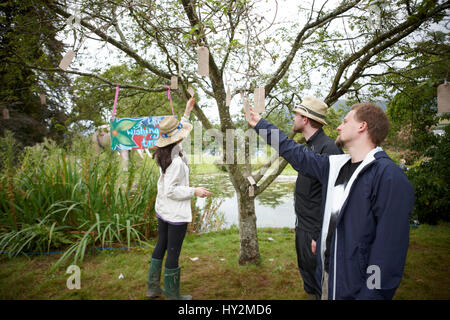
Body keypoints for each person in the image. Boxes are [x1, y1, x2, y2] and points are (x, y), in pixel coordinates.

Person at [247, 102, 414, 300]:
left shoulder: (389, 177)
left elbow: (387, 254)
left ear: (362, 126)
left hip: (356, 288)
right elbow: (294, 152)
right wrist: (261, 125)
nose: (338, 127)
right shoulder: (335, 166)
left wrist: (372, 295)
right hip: (329, 276)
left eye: (345, 121)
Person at [146, 97, 212, 300]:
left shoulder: (164, 152)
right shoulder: (176, 162)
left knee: (161, 245)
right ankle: (173, 296)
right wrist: (194, 191)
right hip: (174, 213)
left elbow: (180, 130)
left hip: (163, 210)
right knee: (173, 252)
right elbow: (171, 190)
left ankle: (153, 288)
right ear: (176, 138)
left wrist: (187, 111)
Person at [288, 97, 343, 300]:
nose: (293, 118)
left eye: (296, 115)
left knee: (321, 285)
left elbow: (336, 199)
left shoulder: (328, 149)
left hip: (315, 233)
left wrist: (320, 235)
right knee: (308, 280)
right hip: (303, 226)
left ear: (305, 119)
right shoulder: (310, 145)